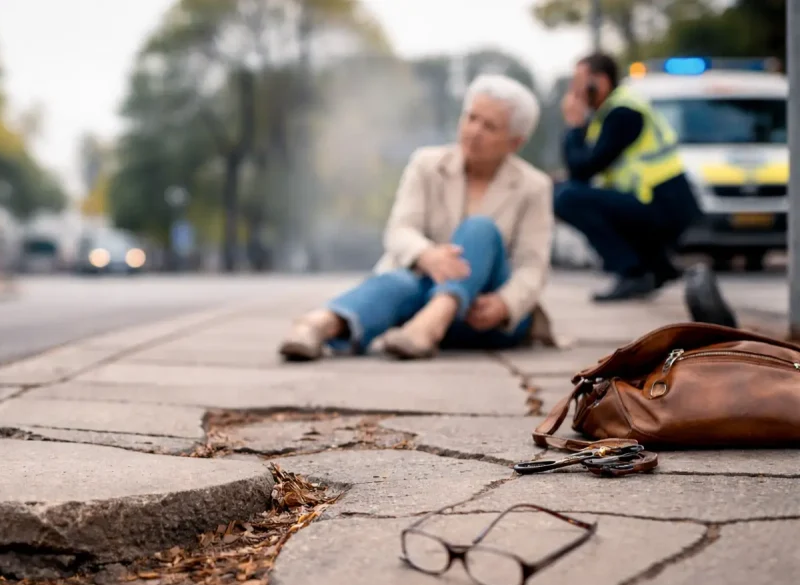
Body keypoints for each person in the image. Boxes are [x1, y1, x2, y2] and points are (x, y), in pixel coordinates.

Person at [278, 74, 555, 362]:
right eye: (471, 118)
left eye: (489, 126)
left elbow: (533, 267)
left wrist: (504, 304)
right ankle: (318, 325)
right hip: (419, 302)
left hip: (488, 316)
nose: (474, 131)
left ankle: (432, 322)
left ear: (515, 142)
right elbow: (400, 230)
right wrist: (428, 256)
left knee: (480, 230)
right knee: (399, 283)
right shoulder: (426, 164)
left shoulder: (533, 186)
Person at [554, 52, 701, 302]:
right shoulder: (609, 113)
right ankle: (656, 266)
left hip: (663, 206)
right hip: (656, 203)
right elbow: (581, 173)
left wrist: (575, 126)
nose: (575, 91)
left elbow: (584, 168)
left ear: (599, 81)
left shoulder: (624, 113)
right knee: (571, 193)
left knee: (567, 198)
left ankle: (632, 272)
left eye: (579, 82)